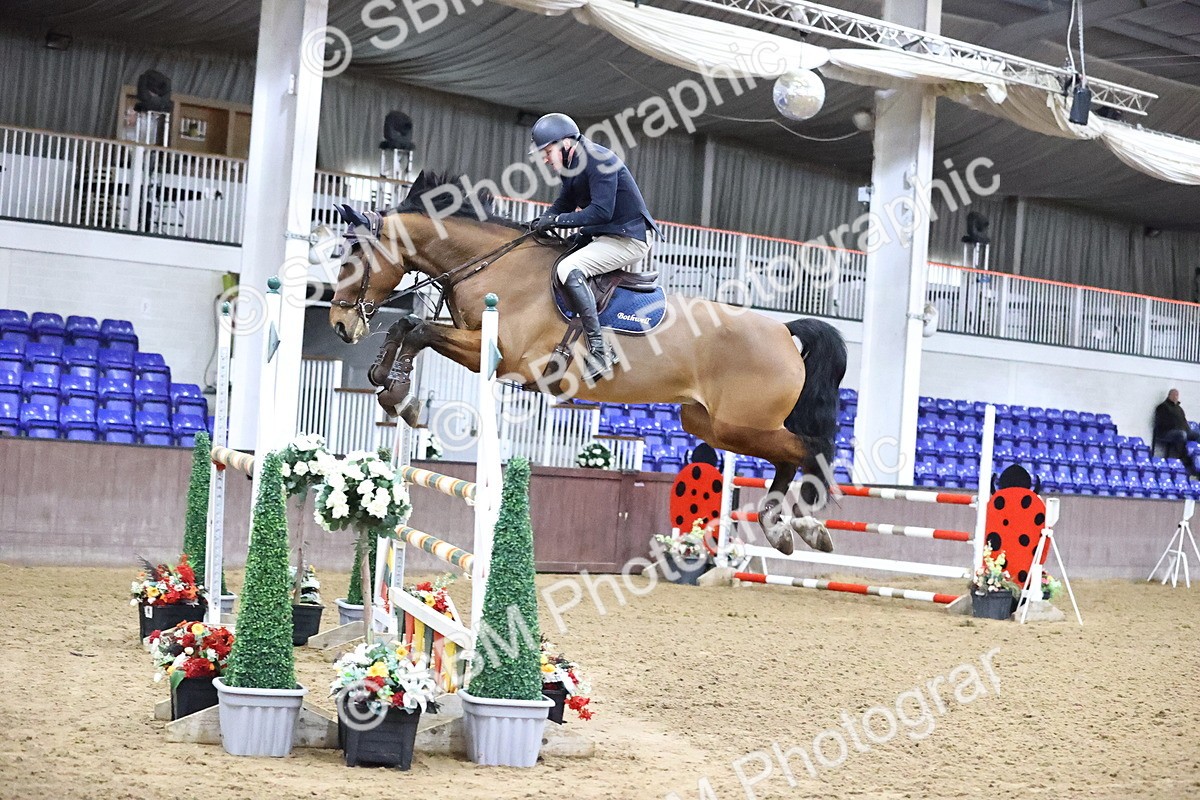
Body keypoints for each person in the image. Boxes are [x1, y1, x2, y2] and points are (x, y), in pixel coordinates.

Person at [527, 113, 663, 382]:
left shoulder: (599, 160)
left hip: (628, 238)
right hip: (604, 234)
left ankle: (600, 350)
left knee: (569, 267)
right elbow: (563, 204)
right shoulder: (572, 166)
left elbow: (601, 212)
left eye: (547, 151)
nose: (544, 158)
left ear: (566, 144)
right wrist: (538, 224)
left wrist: (555, 221)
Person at [1154, 389, 1200, 466]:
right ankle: (1183, 458)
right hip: (1167, 432)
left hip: (1182, 430)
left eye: (1177, 395)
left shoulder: (1179, 408)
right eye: (1174, 395)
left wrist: (1187, 429)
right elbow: (1163, 423)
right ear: (1169, 395)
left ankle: (1196, 458)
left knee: (1197, 435)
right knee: (1182, 434)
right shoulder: (1162, 407)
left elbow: (1184, 421)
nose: (1176, 397)